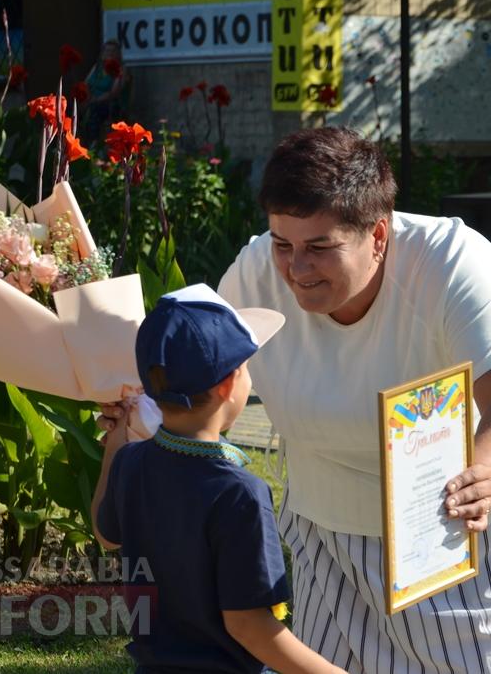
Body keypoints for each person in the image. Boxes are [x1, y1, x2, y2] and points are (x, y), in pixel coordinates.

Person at [217, 127, 491, 673]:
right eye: (282, 243)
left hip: (466, 518)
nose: (295, 268)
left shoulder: (454, 262)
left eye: (319, 248)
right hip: (329, 525)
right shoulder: (256, 271)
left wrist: (484, 470)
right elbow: (205, 379)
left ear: (378, 235)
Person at [93, 283, 346, 674]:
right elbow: (248, 624)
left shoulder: (130, 462)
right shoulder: (240, 493)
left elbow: (106, 533)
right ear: (229, 384)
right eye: (246, 368)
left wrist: (115, 441)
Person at [83, 39, 128, 139]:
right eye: (107, 51)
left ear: (118, 54)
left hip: (110, 104)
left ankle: (94, 143)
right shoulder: (97, 67)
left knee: (96, 111)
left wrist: (94, 100)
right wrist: (86, 97)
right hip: (92, 100)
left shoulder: (121, 69)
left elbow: (114, 92)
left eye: (113, 51)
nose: (110, 53)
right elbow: (86, 83)